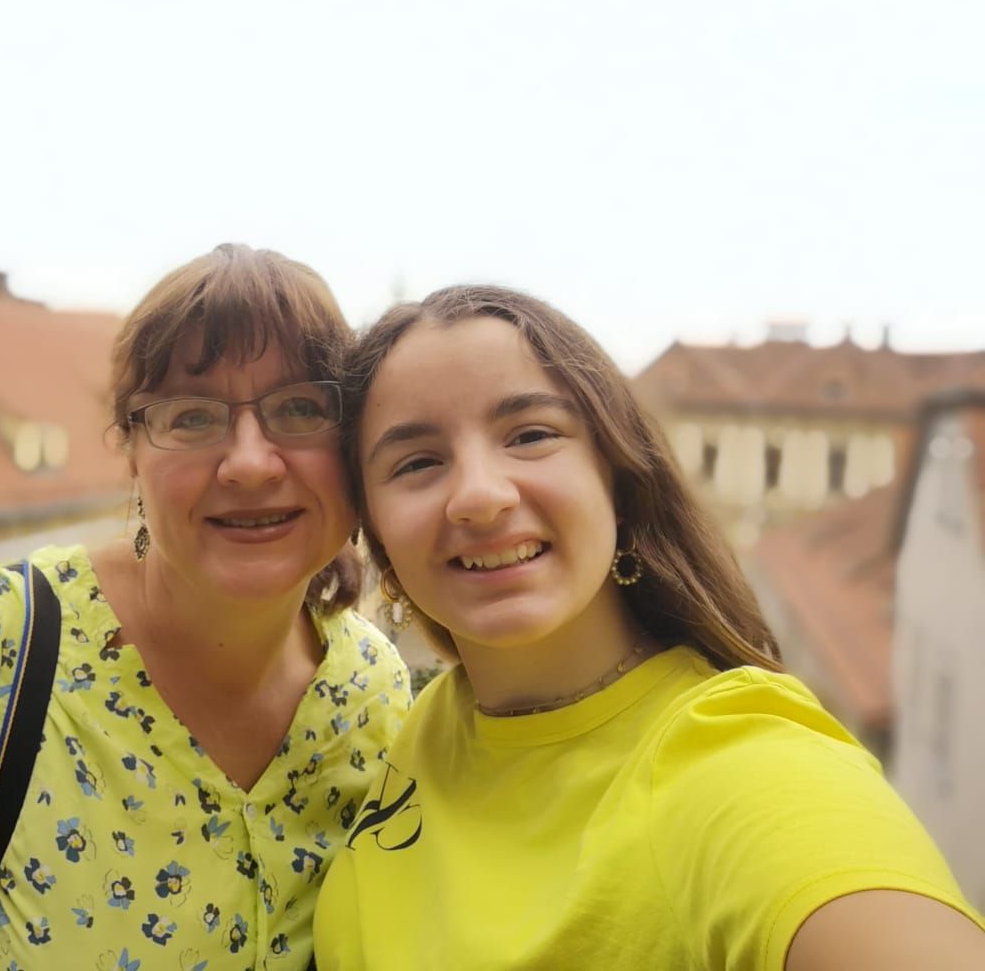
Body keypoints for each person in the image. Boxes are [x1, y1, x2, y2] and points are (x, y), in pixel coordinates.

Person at [0, 244, 410, 971]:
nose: (249, 462)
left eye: (300, 409)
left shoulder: (370, 692)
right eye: (192, 417)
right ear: (131, 452)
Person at [313, 284, 985, 970]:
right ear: (377, 533)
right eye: (418, 462)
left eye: (531, 435)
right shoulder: (426, 722)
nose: (481, 495)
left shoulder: (735, 762)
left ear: (619, 477)